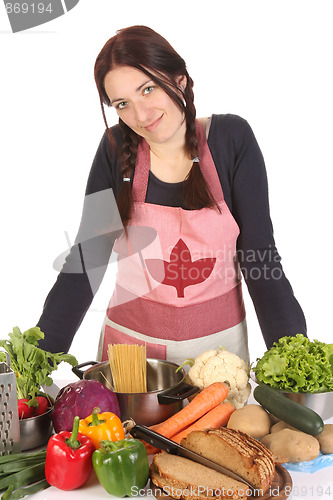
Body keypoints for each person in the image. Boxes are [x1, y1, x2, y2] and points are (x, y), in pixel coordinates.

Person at [37, 25, 306, 365]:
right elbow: (85, 264)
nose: (141, 115)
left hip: (217, 363)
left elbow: (260, 260)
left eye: (147, 89)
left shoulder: (230, 140)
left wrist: (295, 363)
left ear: (178, 78)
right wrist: (36, 365)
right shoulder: (115, 150)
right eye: (123, 103)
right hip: (130, 362)